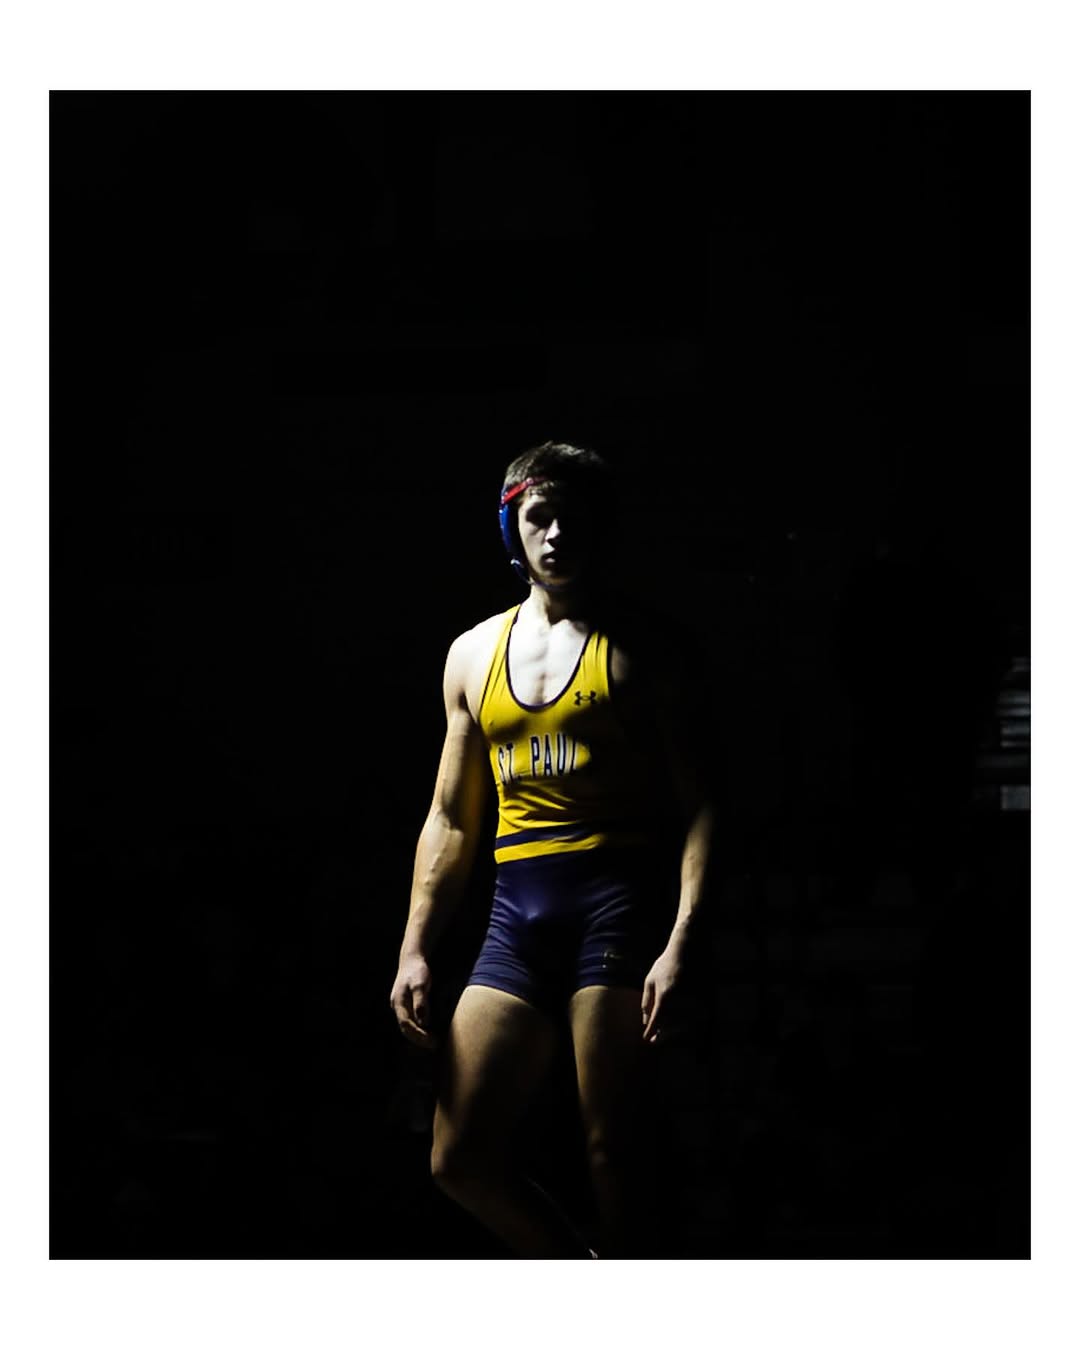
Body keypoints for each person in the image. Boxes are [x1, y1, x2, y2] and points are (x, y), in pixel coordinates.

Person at [389, 441, 715, 1258]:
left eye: (576, 517)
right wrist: (415, 947)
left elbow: (705, 807)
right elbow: (450, 818)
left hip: (617, 908)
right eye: (541, 516)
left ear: (605, 527)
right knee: (457, 1158)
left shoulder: (649, 650)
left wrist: (683, 939)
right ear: (513, 526)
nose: (558, 533)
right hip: (517, 917)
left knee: (613, 1155)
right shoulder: (472, 655)